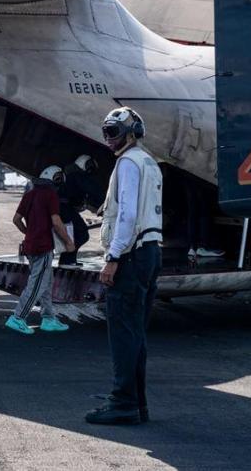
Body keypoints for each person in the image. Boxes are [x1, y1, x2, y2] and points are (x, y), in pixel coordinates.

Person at [86, 107, 163, 426]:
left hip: (131, 255)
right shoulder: (149, 162)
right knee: (136, 333)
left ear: (132, 134)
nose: (108, 138)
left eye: (114, 132)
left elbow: (128, 215)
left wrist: (113, 257)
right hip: (150, 252)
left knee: (122, 331)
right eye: (106, 131)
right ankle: (136, 402)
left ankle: (123, 402)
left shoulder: (128, 163)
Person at [6, 166, 74, 335]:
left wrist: (27, 232)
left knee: (46, 283)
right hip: (43, 246)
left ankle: (49, 318)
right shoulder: (50, 195)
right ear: (56, 179)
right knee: (37, 284)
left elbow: (16, 219)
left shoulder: (29, 194)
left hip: (30, 245)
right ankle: (18, 317)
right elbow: (56, 222)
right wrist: (68, 241)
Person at [58, 154, 105, 266]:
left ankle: (68, 260)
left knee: (74, 234)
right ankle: (67, 261)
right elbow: (94, 191)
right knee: (82, 233)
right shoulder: (78, 176)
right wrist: (106, 202)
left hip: (63, 208)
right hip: (64, 208)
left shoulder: (70, 175)